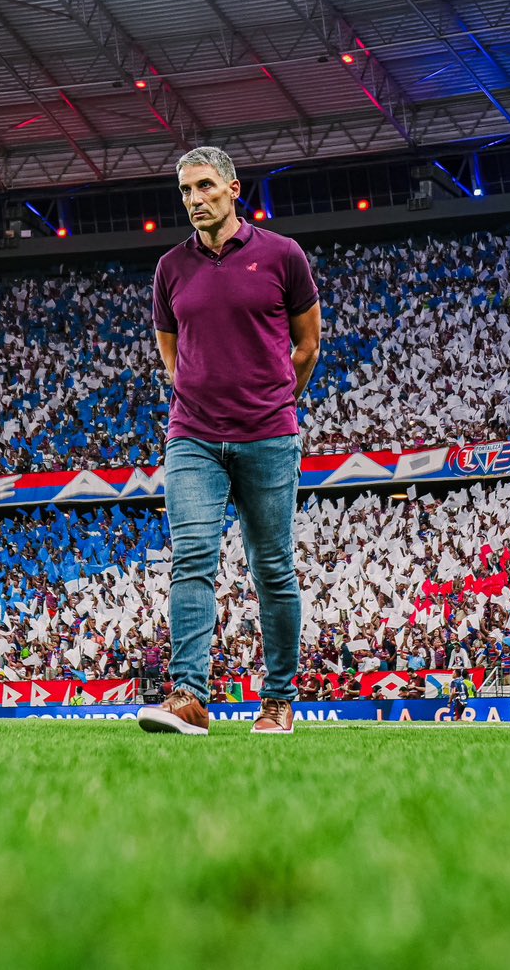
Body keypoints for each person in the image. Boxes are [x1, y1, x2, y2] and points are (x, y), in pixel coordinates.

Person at [136, 146, 322, 738]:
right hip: (191, 437)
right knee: (191, 560)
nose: (195, 199)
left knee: (273, 569)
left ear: (234, 188)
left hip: (268, 434)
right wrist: (194, 396)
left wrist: (277, 403)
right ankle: (189, 696)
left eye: (206, 187)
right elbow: (170, 353)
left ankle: (278, 702)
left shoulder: (282, 256)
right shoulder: (170, 268)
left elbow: (308, 345)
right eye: (186, 190)